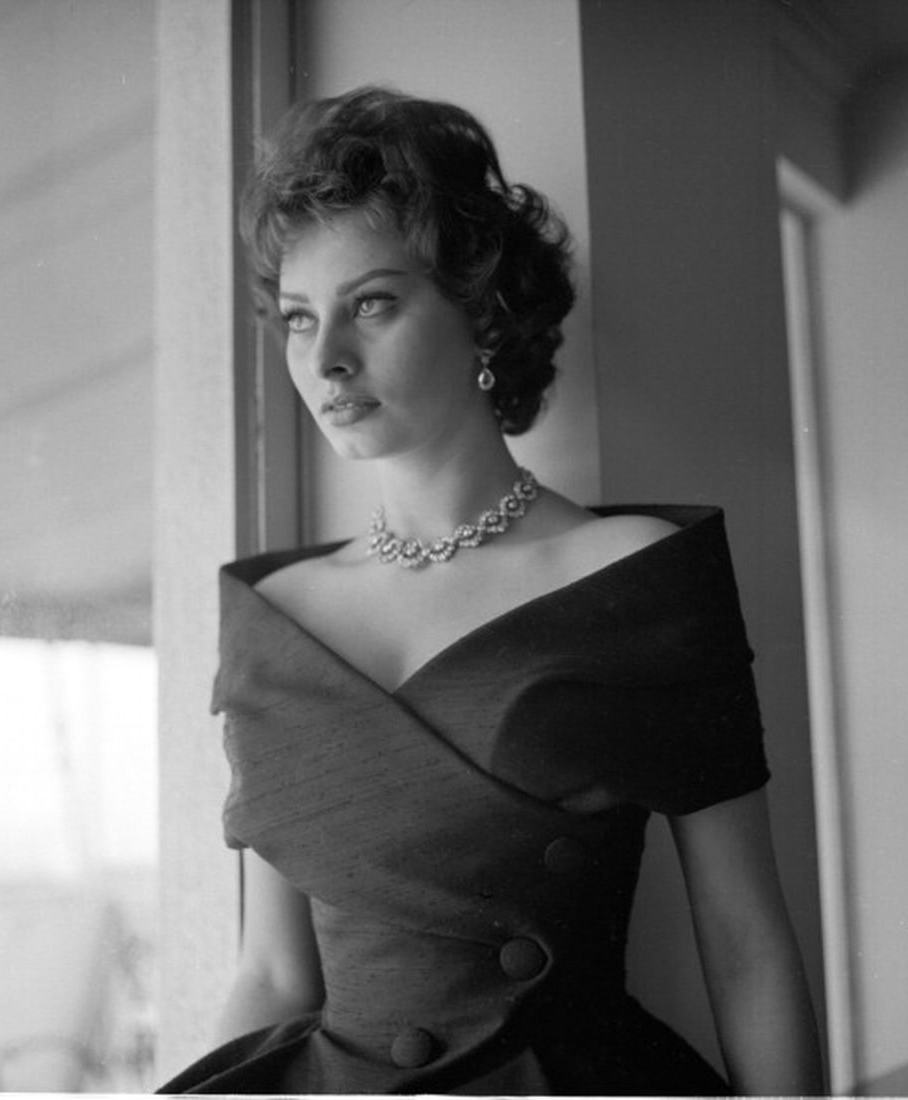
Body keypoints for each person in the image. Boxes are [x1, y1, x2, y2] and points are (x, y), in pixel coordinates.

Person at [158, 86, 823, 1095]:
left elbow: (745, 943)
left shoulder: (637, 575)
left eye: (370, 303)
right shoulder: (275, 617)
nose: (325, 358)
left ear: (480, 311)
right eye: (298, 318)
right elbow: (272, 975)